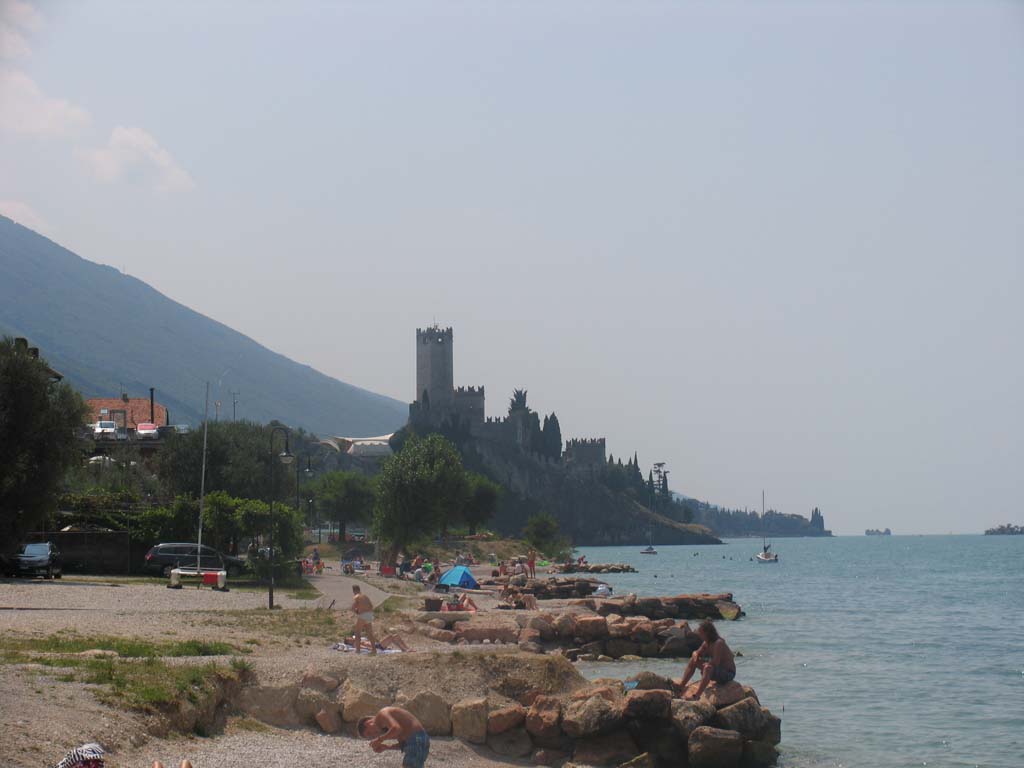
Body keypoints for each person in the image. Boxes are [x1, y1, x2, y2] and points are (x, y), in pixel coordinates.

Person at [676, 619, 736, 700]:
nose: (699, 634)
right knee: (692, 661)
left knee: (708, 668)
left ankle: (696, 696)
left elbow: (716, 662)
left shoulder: (718, 643)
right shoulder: (706, 643)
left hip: (728, 673)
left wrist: (706, 665)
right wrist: (695, 656)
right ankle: (680, 687)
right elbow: (696, 652)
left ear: (707, 633)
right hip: (716, 670)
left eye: (701, 632)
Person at [358, 706, 430, 768]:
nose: (373, 735)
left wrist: (379, 739)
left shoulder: (382, 713)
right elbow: (403, 744)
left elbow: (397, 729)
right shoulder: (388, 727)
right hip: (418, 741)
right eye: (371, 736)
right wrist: (387, 747)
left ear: (368, 723)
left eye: (369, 733)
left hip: (417, 739)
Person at [351, 585, 377, 655]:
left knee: (357, 633)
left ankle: (358, 650)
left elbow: (353, 607)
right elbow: (371, 606)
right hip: (369, 614)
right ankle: (374, 650)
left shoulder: (356, 596)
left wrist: (357, 611)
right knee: (370, 633)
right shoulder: (365, 596)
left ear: (354, 590)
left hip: (363, 614)